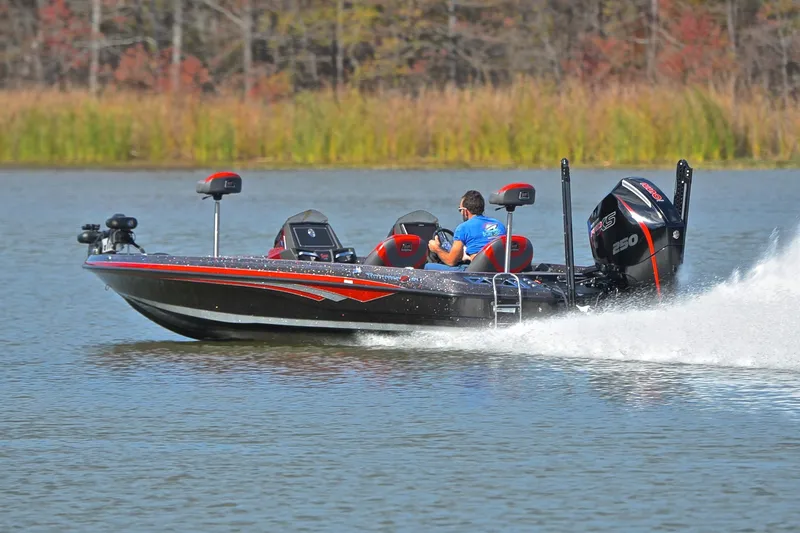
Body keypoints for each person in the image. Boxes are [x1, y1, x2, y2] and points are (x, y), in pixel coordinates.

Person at [425, 190, 506, 270]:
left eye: (460, 210)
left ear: (465, 211)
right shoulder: (499, 225)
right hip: (497, 269)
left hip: (476, 272)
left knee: (427, 266)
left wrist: (436, 249)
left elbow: (451, 261)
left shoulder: (463, 228)